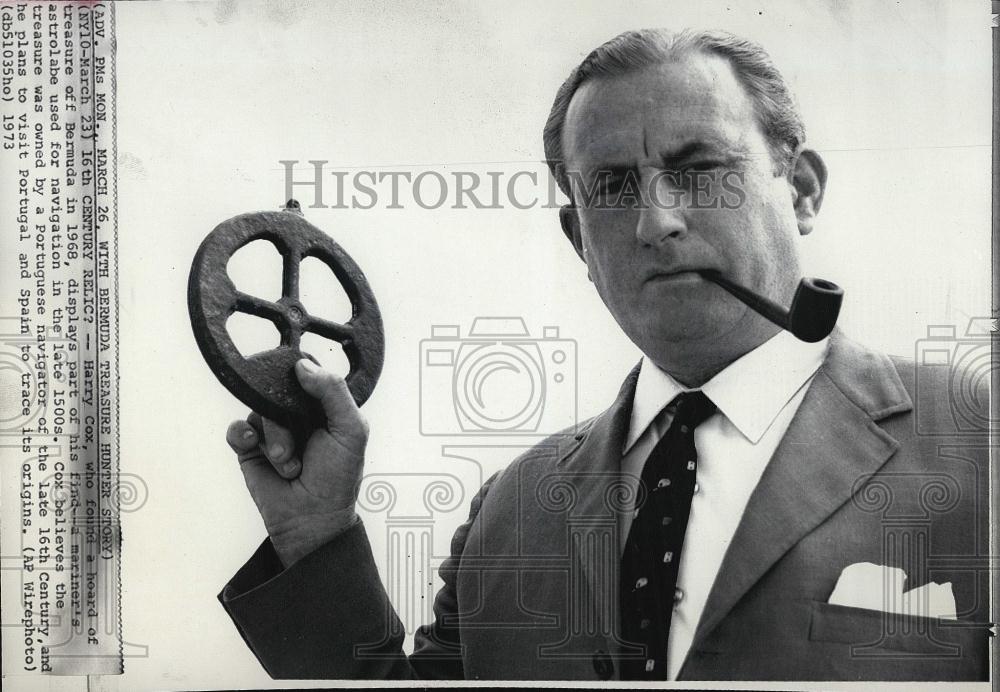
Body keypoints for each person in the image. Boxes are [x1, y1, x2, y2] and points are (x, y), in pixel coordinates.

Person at [218, 28, 990, 681]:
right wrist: (315, 535)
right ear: (578, 240)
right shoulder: (512, 509)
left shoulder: (980, 440)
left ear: (804, 192)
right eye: (614, 188)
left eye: (698, 171)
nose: (657, 223)